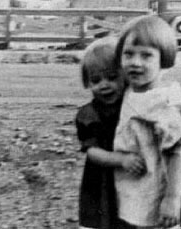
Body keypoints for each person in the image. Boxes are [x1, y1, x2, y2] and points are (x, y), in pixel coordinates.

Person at [113, 15, 181, 228]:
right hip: (140, 184)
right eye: (128, 54)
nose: (135, 62)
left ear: (164, 60)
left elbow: (177, 154)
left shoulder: (164, 102)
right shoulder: (132, 90)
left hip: (162, 189)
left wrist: (171, 199)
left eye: (146, 56)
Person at [75, 36, 146, 229]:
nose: (104, 85)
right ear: (87, 82)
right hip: (101, 183)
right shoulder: (89, 114)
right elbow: (92, 151)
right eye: (96, 80)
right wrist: (121, 160)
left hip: (131, 181)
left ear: (126, 75)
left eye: (112, 77)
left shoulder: (134, 106)